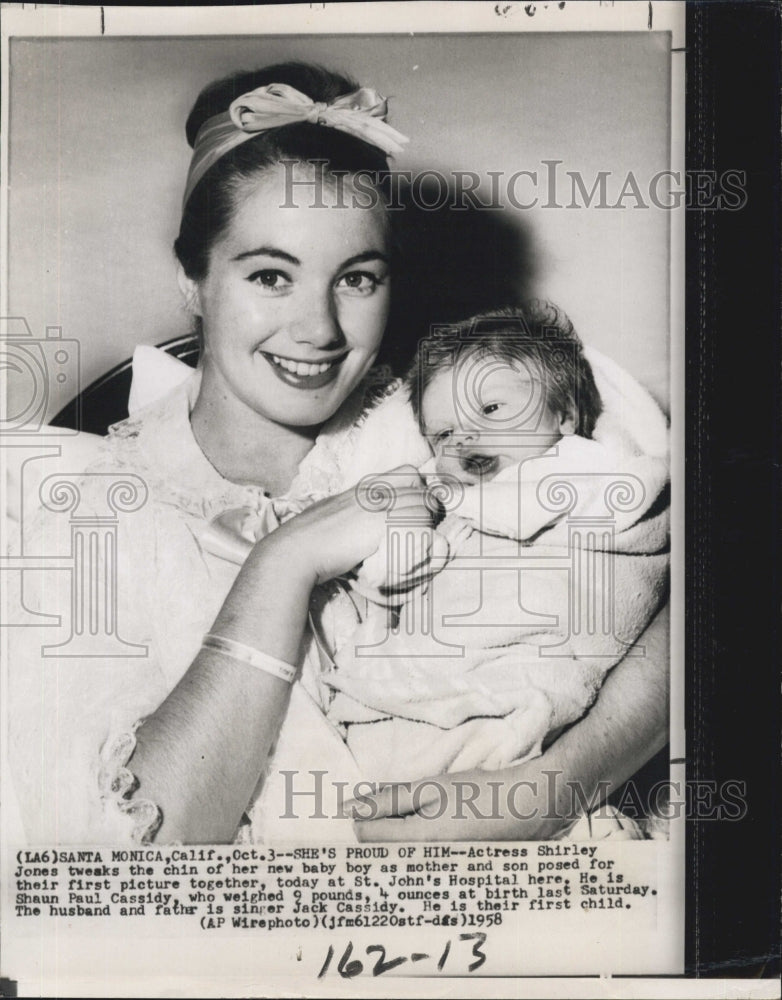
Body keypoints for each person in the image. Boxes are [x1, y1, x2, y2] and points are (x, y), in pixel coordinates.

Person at [8, 62, 669, 846]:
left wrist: (552, 788)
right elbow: (135, 853)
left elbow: (702, 594)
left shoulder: (462, 416)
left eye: (356, 277)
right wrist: (283, 562)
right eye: (270, 275)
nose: (318, 329)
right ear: (193, 279)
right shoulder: (84, 506)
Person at [316, 303, 669, 791]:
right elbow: (389, 583)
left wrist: (448, 499)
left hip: (536, 665)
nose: (465, 437)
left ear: (564, 416)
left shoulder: (586, 465)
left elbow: (608, 516)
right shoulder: (449, 500)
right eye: (442, 433)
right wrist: (409, 527)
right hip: (455, 671)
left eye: (491, 409)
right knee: (392, 737)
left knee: (492, 743)